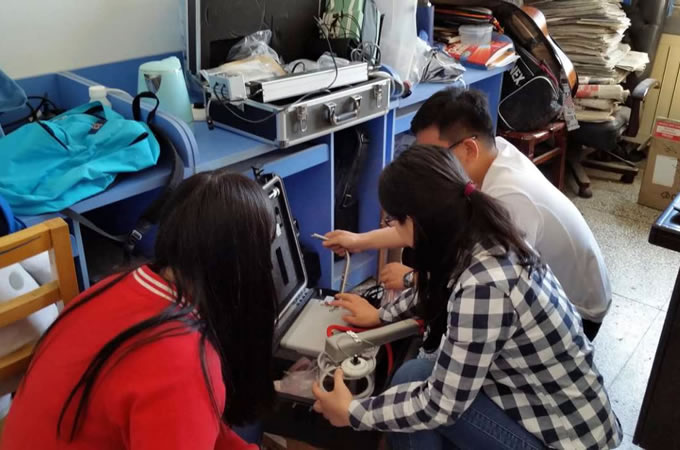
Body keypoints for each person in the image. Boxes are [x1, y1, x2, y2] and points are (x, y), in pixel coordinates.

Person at [313, 145, 622, 449]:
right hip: (569, 415)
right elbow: (444, 283)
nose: (391, 228)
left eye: (392, 221)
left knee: (413, 393)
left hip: (565, 442)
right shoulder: (487, 234)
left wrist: (352, 413)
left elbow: (441, 405)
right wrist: (382, 315)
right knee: (414, 374)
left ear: (416, 221)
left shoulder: (484, 287)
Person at [2, 170, 278, 450]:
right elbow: (184, 404)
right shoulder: (185, 360)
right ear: (245, 269)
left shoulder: (123, 285)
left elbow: (193, 421)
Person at [324, 88, 611, 340]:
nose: (428, 165)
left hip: (577, 316)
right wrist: (358, 241)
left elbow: (479, 279)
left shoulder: (510, 200)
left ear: (468, 149)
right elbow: (419, 226)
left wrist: (411, 281)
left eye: (435, 155)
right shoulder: (494, 154)